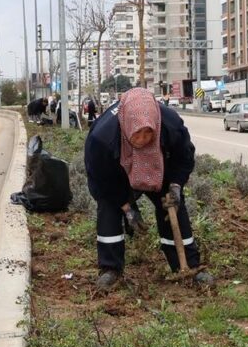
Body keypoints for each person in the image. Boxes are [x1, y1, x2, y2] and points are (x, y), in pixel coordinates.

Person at [84, 87, 212, 291]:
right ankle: (111, 269)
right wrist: (127, 208)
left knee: (174, 209)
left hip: (160, 168)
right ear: (126, 126)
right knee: (109, 209)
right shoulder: (102, 138)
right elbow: (101, 180)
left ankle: (187, 264)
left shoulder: (170, 124)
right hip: (118, 174)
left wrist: (176, 186)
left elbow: (184, 157)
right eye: (137, 133)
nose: (143, 139)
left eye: (148, 132)